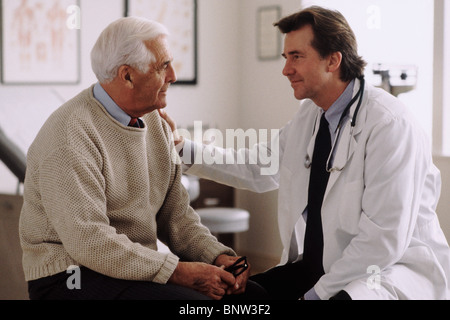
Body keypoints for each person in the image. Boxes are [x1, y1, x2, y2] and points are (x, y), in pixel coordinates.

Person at [161, 6, 450, 300]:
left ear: (333, 60)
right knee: (238, 300)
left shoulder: (390, 124)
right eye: (286, 58)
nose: (286, 69)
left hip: (381, 272)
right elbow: (257, 166)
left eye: (296, 57)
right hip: (318, 267)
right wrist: (182, 149)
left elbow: (382, 243)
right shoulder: (310, 116)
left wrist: (312, 297)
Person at [19, 17, 264, 300]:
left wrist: (216, 256)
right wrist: (180, 272)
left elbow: (176, 217)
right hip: (71, 276)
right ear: (127, 75)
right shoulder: (69, 134)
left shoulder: (155, 124)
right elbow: (90, 244)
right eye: (163, 66)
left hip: (131, 270)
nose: (173, 75)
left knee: (252, 296)